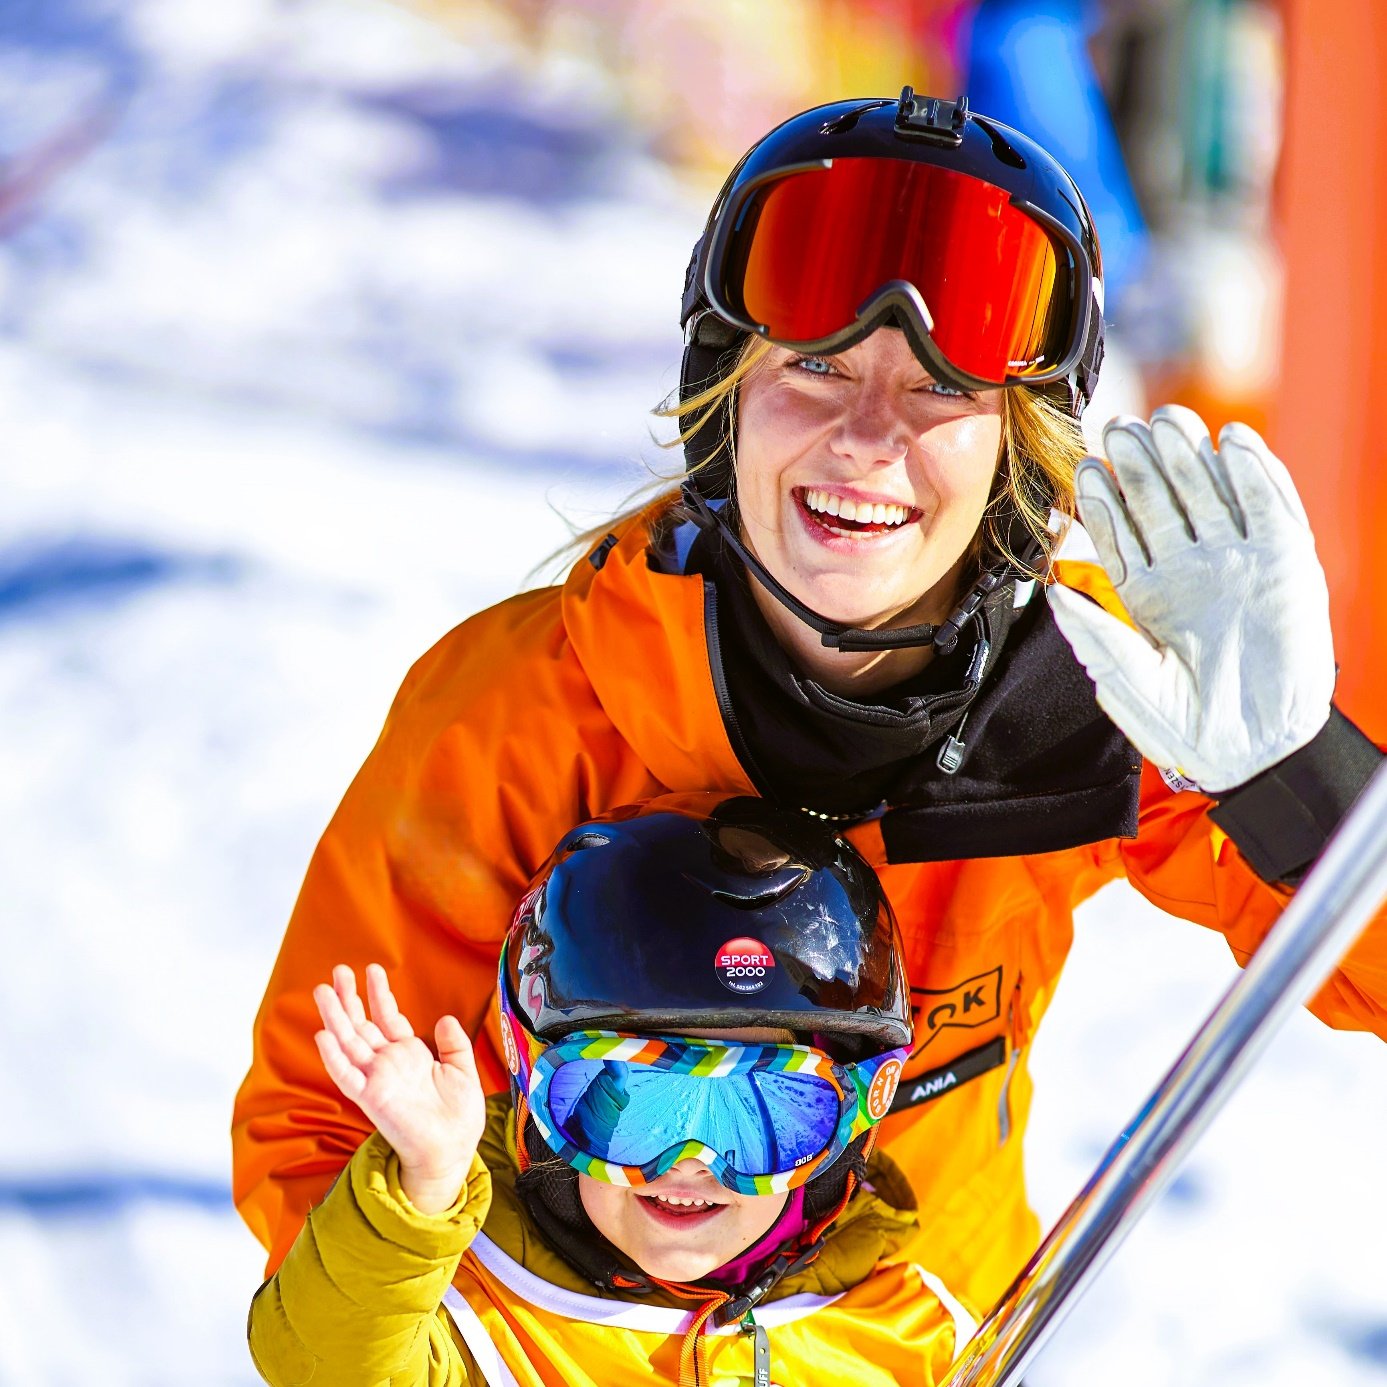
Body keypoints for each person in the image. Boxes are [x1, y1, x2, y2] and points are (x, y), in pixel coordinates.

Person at [233, 89, 1386, 1312]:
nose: (867, 438)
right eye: (817, 367)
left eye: (942, 394)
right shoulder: (529, 709)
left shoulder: (1098, 689)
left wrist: (1292, 775)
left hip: (922, 1342)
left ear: (1020, 445)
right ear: (721, 394)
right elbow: (319, 1125)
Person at [247, 798, 977, 1386]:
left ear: (856, 1113)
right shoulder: (472, 1308)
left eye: (761, 1116)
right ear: (535, 1087)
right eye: (636, 1105)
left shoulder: (906, 1338)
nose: (690, 1164)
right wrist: (426, 1187)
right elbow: (326, 1365)